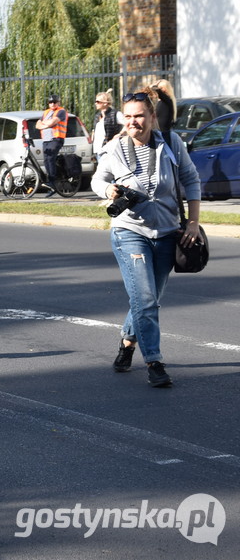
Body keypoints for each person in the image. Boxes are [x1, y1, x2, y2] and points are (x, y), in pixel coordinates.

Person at [91, 90, 201, 388]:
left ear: (152, 116)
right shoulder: (115, 148)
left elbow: (191, 180)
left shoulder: (172, 144)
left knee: (148, 299)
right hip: (129, 232)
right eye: (127, 117)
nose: (133, 122)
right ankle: (154, 361)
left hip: (167, 233)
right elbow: (97, 179)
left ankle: (127, 344)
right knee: (146, 299)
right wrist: (109, 191)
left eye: (139, 116)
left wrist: (193, 222)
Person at [35, 94, 68, 197]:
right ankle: (51, 183)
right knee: (46, 161)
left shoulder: (61, 111)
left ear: (58, 102)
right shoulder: (46, 112)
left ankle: (52, 182)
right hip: (46, 140)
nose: (52, 104)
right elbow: (37, 125)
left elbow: (53, 122)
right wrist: (46, 124)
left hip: (56, 138)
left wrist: (44, 124)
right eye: (50, 102)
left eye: (55, 102)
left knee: (50, 159)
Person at [92, 90, 124, 157]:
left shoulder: (115, 114)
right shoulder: (97, 116)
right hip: (98, 150)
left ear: (105, 103)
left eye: (98, 101)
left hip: (110, 149)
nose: (95, 103)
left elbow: (128, 124)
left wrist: (119, 134)